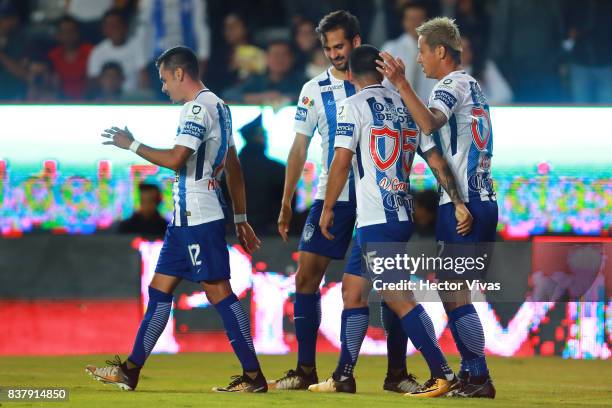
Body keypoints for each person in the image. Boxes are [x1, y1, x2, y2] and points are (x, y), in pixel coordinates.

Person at [85, 46, 268, 393]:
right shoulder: (221, 107)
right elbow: (234, 165)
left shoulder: (196, 108)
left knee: (220, 294)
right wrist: (241, 217)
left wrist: (132, 144)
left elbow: (176, 157)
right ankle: (130, 370)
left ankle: (255, 378)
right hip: (184, 221)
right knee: (159, 293)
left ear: (180, 73)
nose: (164, 87)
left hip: (199, 216)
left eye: (165, 79)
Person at [273, 10, 417, 394]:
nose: (334, 54)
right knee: (305, 276)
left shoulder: (384, 82)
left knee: (389, 285)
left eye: (340, 46)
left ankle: (397, 373)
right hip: (331, 197)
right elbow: (299, 147)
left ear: (356, 43)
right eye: (328, 47)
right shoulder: (312, 90)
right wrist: (287, 201)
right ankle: (305, 370)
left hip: (378, 199)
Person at [308, 44, 464, 397]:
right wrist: (457, 200)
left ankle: (444, 373)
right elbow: (436, 159)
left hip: (377, 216)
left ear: (349, 74)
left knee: (397, 296)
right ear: (380, 70)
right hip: (397, 213)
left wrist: (329, 207)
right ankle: (343, 376)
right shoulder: (409, 109)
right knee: (352, 290)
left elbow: (341, 161)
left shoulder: (352, 106)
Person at [378, 16, 497, 398]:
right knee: (454, 290)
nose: (420, 60)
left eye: (423, 52)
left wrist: (400, 83)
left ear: (440, 51)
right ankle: (472, 373)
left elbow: (429, 122)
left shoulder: (449, 85)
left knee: (454, 290)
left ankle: (478, 377)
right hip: (480, 197)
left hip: (464, 203)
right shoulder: (473, 85)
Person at [222, 39, 305, 107]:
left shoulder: (301, 80)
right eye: (275, 55)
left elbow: (310, 98)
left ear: (292, 59)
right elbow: (228, 94)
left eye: (284, 55)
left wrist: (286, 98)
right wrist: (261, 97)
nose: (279, 60)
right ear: (267, 58)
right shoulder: (256, 79)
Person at [381, 1, 435, 101]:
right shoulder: (391, 48)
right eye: (411, 19)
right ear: (404, 22)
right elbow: (383, 83)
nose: (416, 23)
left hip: (429, 109)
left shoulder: (436, 51)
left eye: (420, 19)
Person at [87, 8, 147, 94]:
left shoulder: (137, 45)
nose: (115, 29)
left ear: (125, 27)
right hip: (107, 99)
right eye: (111, 26)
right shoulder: (97, 52)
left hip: (132, 98)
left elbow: (144, 76)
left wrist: (142, 99)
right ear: (104, 30)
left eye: (117, 25)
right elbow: (93, 83)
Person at [48, 15, 93, 100]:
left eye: (71, 31)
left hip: (87, 101)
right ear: (57, 35)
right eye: (63, 32)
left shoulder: (91, 52)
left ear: (78, 33)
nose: (68, 36)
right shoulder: (53, 55)